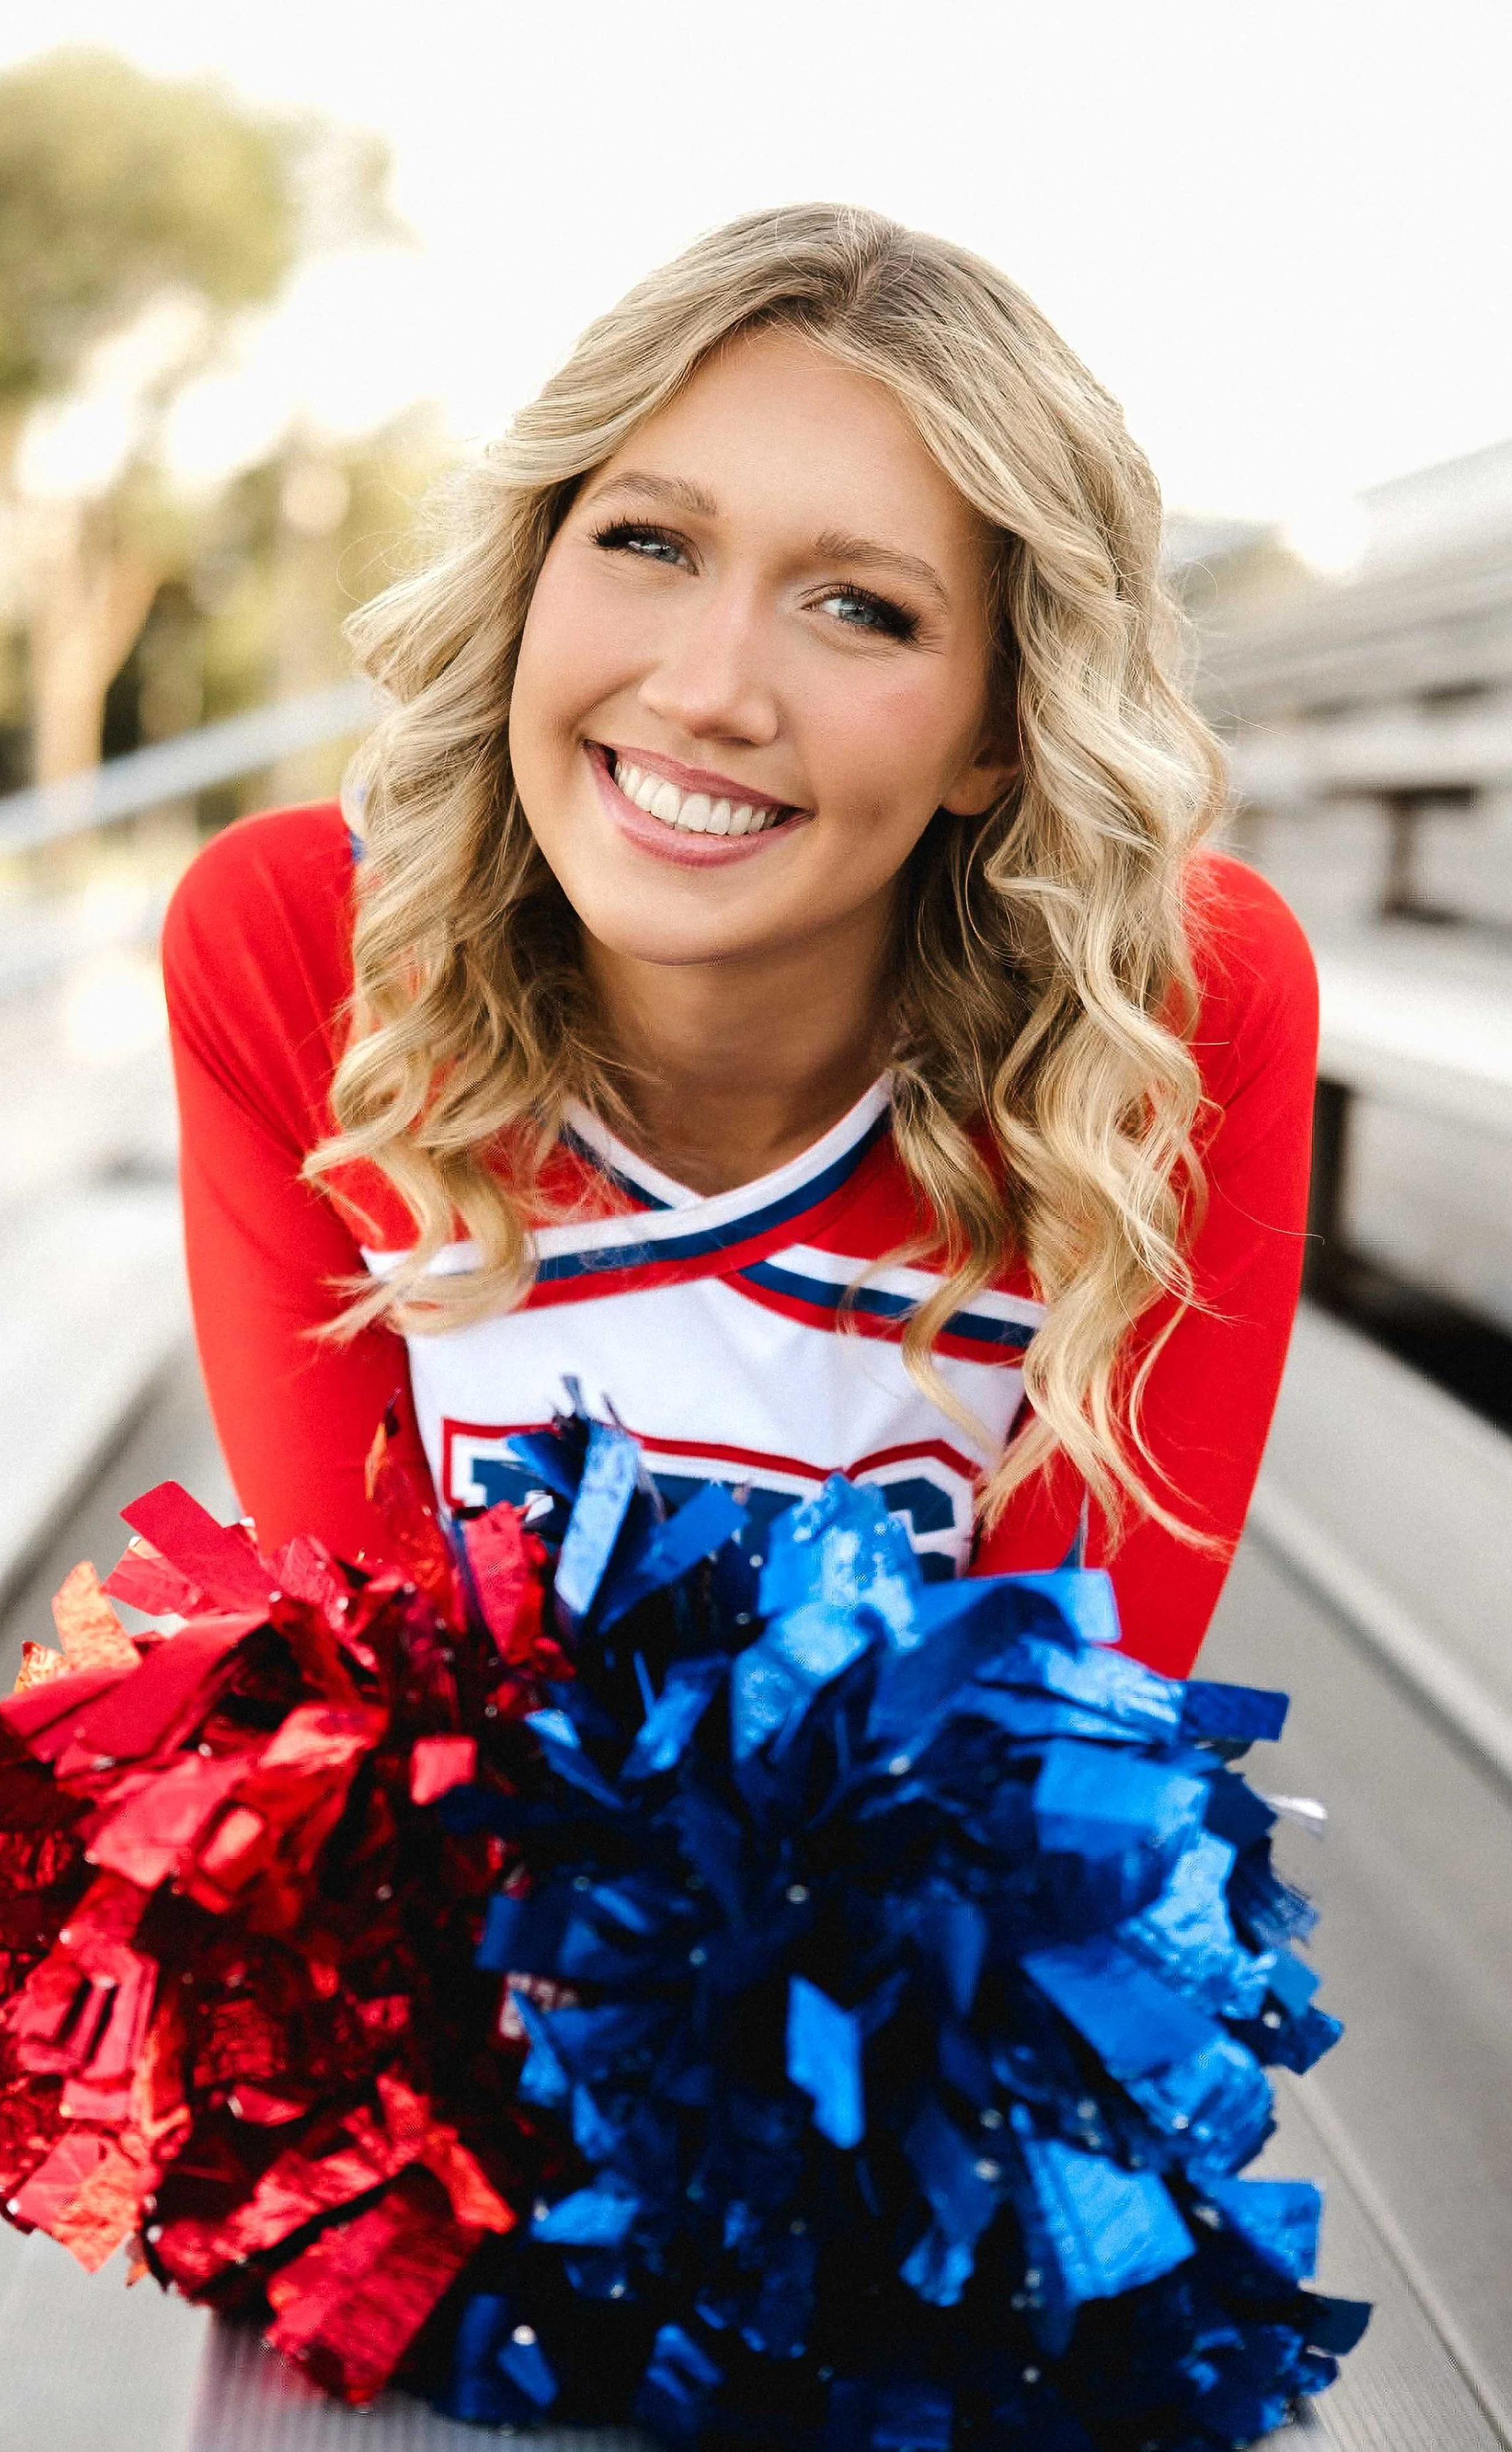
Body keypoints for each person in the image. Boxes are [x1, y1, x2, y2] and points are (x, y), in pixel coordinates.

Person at [163, 204, 1316, 1681]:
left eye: (860, 609)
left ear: (997, 733)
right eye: (649, 541)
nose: (709, 692)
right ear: (529, 578)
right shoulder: (296, 949)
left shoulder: (1168, 1010)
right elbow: (380, 1750)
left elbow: (1056, 1776)